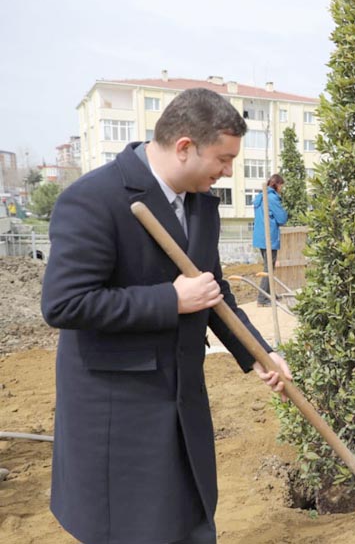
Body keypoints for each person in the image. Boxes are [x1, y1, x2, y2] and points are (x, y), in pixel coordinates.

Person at [41, 88, 292, 544]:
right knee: (134, 530)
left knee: (191, 521)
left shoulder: (200, 205)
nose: (229, 171)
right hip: (120, 410)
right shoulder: (94, 199)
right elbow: (64, 303)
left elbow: (212, 293)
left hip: (182, 400)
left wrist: (259, 353)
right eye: (223, 158)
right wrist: (169, 300)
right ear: (184, 148)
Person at [252, 173, 289, 306]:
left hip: (260, 237)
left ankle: (270, 294)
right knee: (269, 269)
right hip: (269, 237)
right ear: (277, 184)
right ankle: (262, 299)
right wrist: (285, 213)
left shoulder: (261, 196)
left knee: (268, 267)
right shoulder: (272, 198)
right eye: (281, 186)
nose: (282, 189)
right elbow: (282, 218)